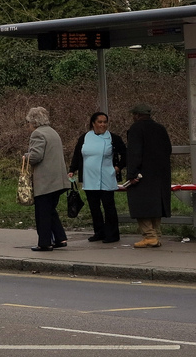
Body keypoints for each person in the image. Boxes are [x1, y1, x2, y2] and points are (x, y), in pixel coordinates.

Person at [69, 111, 127, 243]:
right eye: (100, 122)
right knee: (94, 207)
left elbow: (125, 154)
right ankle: (99, 232)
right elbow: (77, 155)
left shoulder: (113, 138)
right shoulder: (85, 138)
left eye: (105, 122)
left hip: (106, 176)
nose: (102, 125)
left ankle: (112, 234)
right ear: (93, 123)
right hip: (89, 177)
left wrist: (118, 167)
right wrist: (72, 169)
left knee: (108, 206)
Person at [125, 102, 172, 249]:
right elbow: (168, 149)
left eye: (134, 115)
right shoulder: (160, 128)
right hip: (160, 174)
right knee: (156, 204)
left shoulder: (136, 129)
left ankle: (149, 236)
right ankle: (156, 234)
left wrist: (131, 173)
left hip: (142, 174)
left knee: (141, 204)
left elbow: (134, 153)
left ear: (137, 115)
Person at [25, 106, 71, 252]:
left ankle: (44, 243)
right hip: (58, 180)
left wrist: (25, 157)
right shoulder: (52, 132)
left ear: (34, 121)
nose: (28, 125)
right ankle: (60, 238)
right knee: (50, 210)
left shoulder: (37, 134)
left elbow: (36, 156)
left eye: (28, 122)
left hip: (45, 181)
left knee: (42, 212)